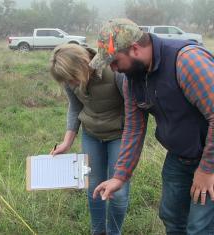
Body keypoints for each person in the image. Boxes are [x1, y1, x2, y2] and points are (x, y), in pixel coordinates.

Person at [90, 18, 214, 234]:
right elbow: (134, 128)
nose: (113, 68)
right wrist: (120, 175)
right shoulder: (132, 78)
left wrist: (207, 170)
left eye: (114, 61)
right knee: (172, 218)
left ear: (135, 49)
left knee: (200, 227)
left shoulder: (187, 61)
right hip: (180, 157)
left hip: (210, 158)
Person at [49, 44, 129, 235]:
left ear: (83, 64)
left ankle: (114, 232)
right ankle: (97, 231)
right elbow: (75, 107)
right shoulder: (70, 80)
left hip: (119, 135)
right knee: (93, 186)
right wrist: (67, 142)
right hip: (91, 134)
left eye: (72, 78)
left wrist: (130, 140)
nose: (71, 83)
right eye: (67, 81)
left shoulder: (114, 70)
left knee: (118, 192)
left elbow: (132, 107)